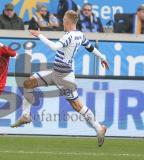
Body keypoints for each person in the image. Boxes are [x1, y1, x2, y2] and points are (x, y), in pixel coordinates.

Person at [11, 10, 109, 147]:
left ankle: (99, 128)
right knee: (28, 83)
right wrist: (103, 57)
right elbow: (90, 47)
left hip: (65, 77)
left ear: (68, 22)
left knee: (77, 105)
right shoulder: (80, 35)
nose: (62, 22)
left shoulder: (68, 36)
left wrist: (40, 35)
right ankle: (26, 115)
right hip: (56, 72)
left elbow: (54, 47)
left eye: (63, 20)